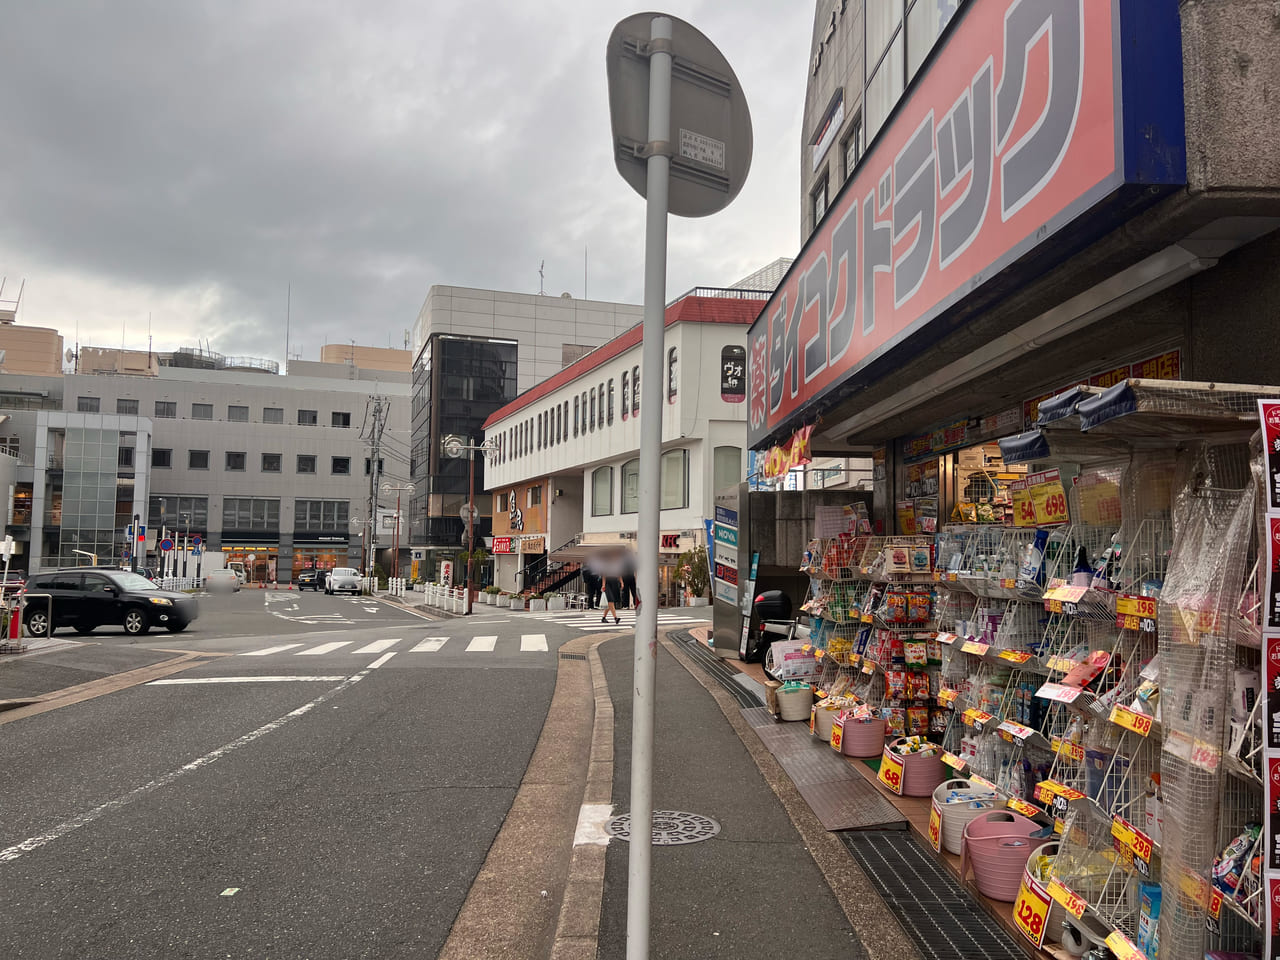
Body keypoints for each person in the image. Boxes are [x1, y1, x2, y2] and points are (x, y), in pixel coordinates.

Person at [600, 550, 625, 625]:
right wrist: (603, 585)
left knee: (611, 602)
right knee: (610, 600)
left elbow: (619, 574)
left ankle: (603, 618)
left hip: (615, 582)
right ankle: (615, 618)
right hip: (608, 582)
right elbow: (604, 576)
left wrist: (621, 582)